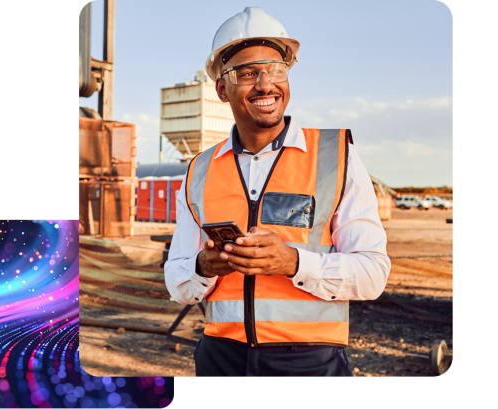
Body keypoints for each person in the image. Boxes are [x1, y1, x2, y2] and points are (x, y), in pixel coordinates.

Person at [164, 7, 390, 377]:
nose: (266, 84)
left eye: (277, 69)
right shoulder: (198, 171)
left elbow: (373, 274)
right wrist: (203, 267)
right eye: (248, 73)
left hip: (311, 363)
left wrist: (294, 263)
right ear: (222, 88)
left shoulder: (336, 156)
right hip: (220, 359)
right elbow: (177, 280)